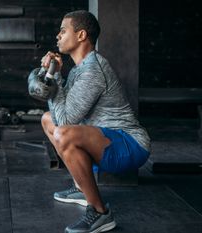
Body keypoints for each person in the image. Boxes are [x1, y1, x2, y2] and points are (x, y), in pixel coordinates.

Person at [28, 10, 151, 233]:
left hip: (129, 144)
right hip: (105, 139)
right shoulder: (79, 69)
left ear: (81, 35)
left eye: (63, 31)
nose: (57, 36)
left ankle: (100, 212)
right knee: (47, 120)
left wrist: (54, 78)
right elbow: (59, 114)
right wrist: (53, 73)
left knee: (63, 133)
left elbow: (65, 121)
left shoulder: (93, 70)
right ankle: (82, 189)